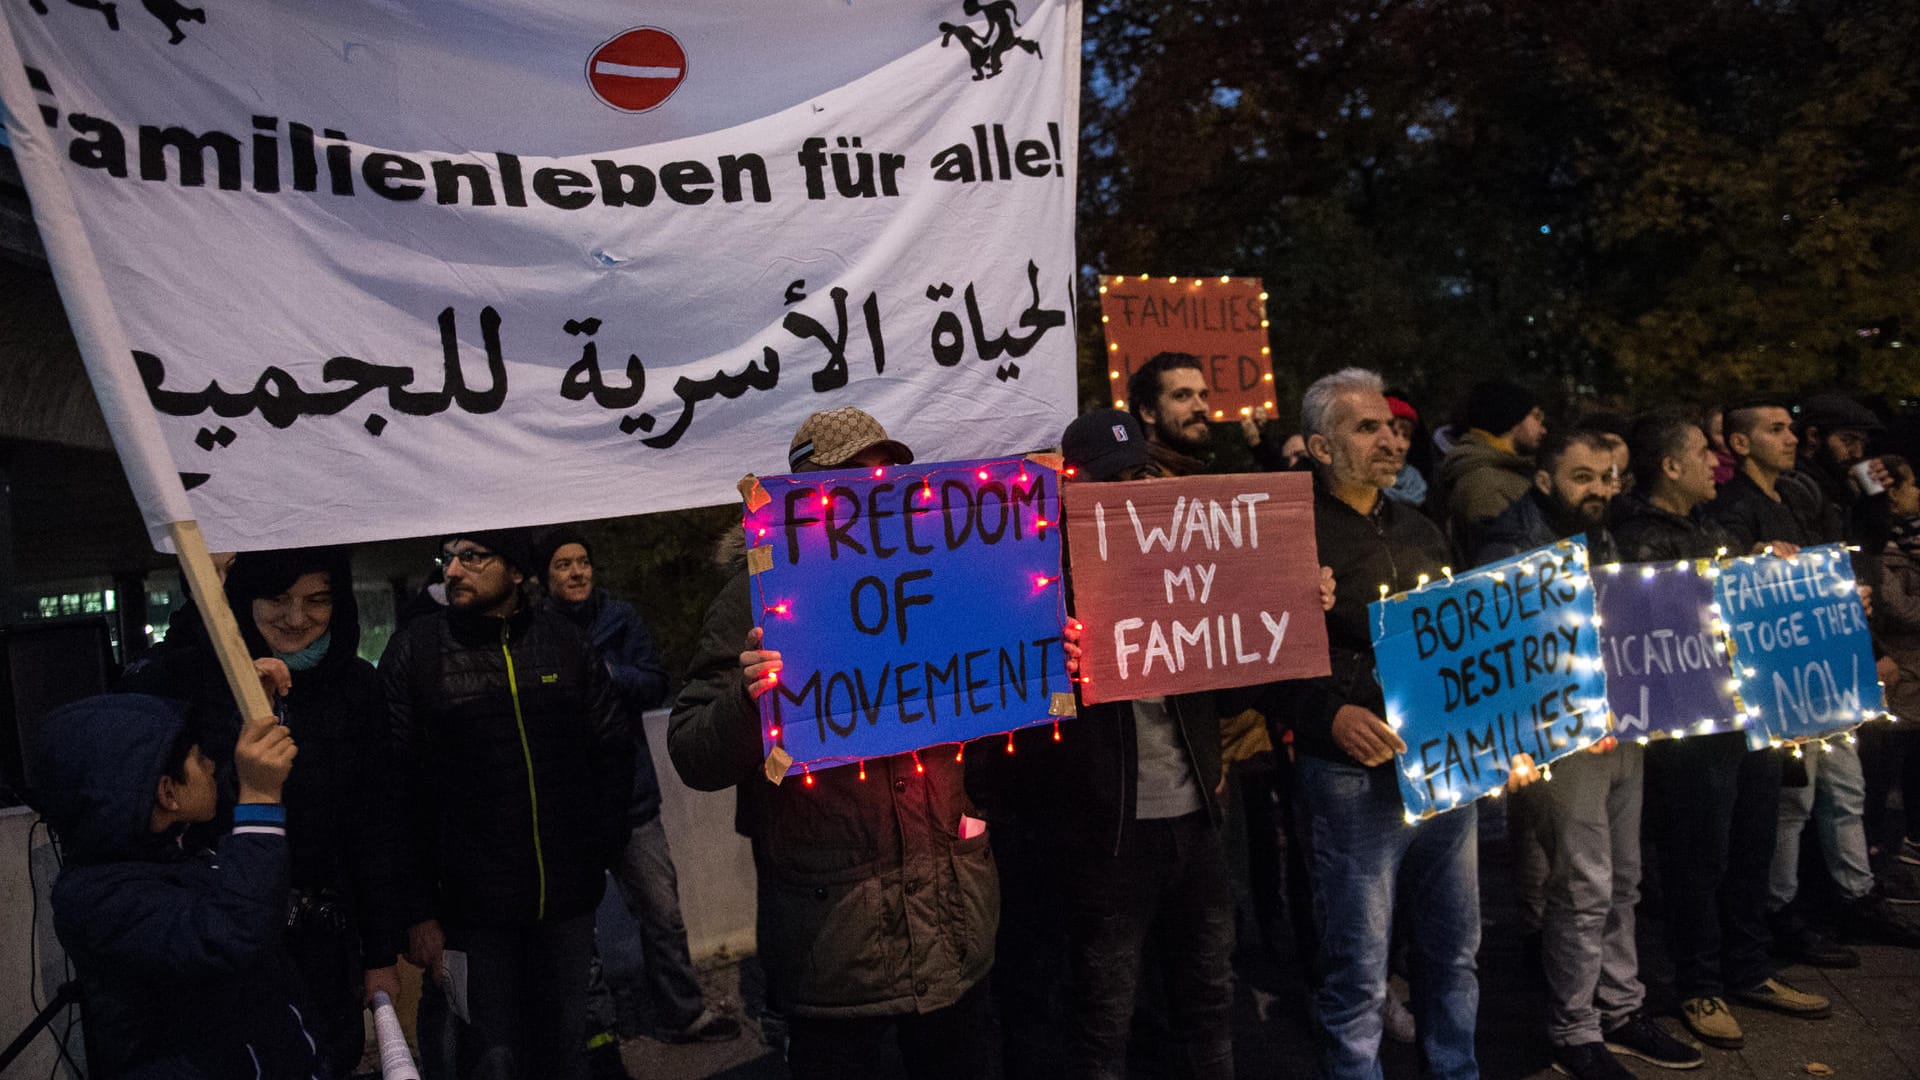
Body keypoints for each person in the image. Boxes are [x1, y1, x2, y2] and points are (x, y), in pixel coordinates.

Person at [668, 407, 996, 1080]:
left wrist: (1051, 658)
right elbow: (692, 752)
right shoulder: (755, 594)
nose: (878, 485)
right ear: (807, 490)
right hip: (837, 943)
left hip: (950, 926)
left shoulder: (946, 569)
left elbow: (998, 708)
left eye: (887, 470)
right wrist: (745, 700)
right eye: (856, 474)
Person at [1273, 367, 1534, 1080]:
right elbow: (1255, 659)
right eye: (1367, 428)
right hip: (1350, 780)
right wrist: (1329, 715)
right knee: (1358, 963)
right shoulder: (1286, 532)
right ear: (1321, 448)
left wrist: (1507, 728)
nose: (1391, 439)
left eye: (1392, 426)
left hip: (1446, 767)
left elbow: (1463, 646)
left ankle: (1458, 1069)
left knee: (1454, 950)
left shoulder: (1419, 528)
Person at [119, 547, 401, 1075]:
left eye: (317, 599)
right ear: (243, 598)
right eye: (277, 597)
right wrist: (205, 602)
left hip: (325, 939)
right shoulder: (199, 676)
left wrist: (381, 953)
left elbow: (376, 823)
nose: (297, 618)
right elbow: (139, 696)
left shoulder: (358, 686)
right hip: (223, 934)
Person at [1474, 430, 1700, 1078]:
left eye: (1607, 475)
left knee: (1623, 878)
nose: (1600, 489)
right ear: (1545, 482)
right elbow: (1508, 653)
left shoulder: (1601, 531)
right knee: (1584, 884)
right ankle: (1574, 1029)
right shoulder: (1510, 544)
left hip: (1621, 729)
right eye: (1583, 477)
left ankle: (1621, 1008)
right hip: (1563, 741)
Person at [379, 527, 633, 1080]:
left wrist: (596, 850)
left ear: (517, 571)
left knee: (566, 1049)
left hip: (563, 901)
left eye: (472, 557)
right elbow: (396, 791)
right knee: (489, 1057)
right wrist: (419, 908)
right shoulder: (416, 650)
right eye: (448, 558)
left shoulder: (564, 642)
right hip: (470, 913)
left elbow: (612, 749)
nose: (452, 571)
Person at [1618, 411, 1830, 1051]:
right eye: (1703, 453)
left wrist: (1771, 572)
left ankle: (1747, 969)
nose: (1718, 462)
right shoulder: (1634, 538)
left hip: (1746, 714)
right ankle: (1698, 984)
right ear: (1671, 467)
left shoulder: (1707, 527)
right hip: (1693, 728)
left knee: (1751, 845)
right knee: (1698, 856)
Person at [1708, 400, 1920, 956]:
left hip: (1819, 673)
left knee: (1845, 788)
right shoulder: (1736, 509)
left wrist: (1848, 603)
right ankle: (1782, 910)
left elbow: (1829, 564)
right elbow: (1725, 579)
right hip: (1781, 680)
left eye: (1790, 429)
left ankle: (1854, 894)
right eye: (1775, 430)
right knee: (1794, 803)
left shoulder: (1790, 499)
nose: (1791, 438)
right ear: (1740, 444)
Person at [530, 527, 742, 1049]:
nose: (577, 572)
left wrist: (599, 674)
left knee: (663, 911)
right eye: (563, 564)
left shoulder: (620, 619)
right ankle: (592, 1026)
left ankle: (683, 1014)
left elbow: (655, 683)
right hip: (565, 800)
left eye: (583, 562)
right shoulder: (534, 631)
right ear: (544, 576)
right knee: (577, 928)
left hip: (630, 793)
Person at [38, 693, 321, 1078]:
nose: (212, 766)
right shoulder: (97, 901)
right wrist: (260, 796)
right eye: (200, 758)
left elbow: (219, 800)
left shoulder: (169, 846)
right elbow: (231, 935)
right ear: (167, 793)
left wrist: (254, 707)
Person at [1432, 379, 1547, 557]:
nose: (1543, 429)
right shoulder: (1486, 484)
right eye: (1536, 417)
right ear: (1512, 416)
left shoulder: (1504, 472)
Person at [1126, 351, 1215, 474]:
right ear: (1148, 413)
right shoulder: (1138, 482)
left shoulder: (1189, 471)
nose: (1200, 407)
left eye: (1203, 395)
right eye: (1181, 396)